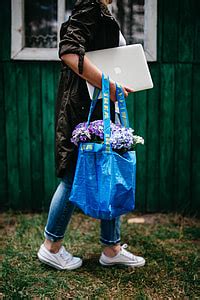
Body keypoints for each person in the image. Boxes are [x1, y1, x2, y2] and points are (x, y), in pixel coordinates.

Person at [37, 0, 145, 270]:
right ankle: (51, 246)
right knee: (75, 173)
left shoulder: (101, 10)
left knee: (112, 167)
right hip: (85, 107)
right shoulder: (89, 6)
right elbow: (69, 52)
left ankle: (111, 247)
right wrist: (109, 86)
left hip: (100, 106)